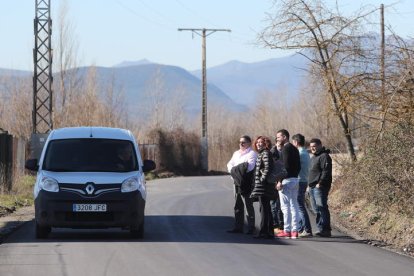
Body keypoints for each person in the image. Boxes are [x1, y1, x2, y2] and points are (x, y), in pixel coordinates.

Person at [226, 135, 257, 234]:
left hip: (246, 183)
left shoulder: (252, 153)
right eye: (240, 142)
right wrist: (237, 170)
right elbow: (229, 165)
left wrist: (236, 169)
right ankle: (238, 227)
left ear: (249, 143)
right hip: (236, 182)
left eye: (243, 142)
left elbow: (249, 167)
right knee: (237, 205)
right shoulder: (236, 153)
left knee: (248, 204)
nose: (241, 144)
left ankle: (251, 227)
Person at [275, 129, 301, 239]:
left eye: (279, 137)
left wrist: (280, 181)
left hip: (286, 181)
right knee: (294, 205)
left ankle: (287, 230)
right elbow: (299, 166)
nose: (277, 139)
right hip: (295, 179)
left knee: (285, 207)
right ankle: (295, 231)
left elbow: (284, 167)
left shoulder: (285, 149)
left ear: (285, 137)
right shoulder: (295, 149)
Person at [250, 136, 275, 239]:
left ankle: (264, 231)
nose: (258, 144)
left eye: (261, 142)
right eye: (257, 142)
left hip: (263, 187)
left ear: (266, 143)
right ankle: (269, 231)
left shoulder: (265, 153)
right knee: (266, 208)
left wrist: (261, 180)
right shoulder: (262, 153)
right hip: (262, 186)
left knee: (264, 209)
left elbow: (268, 168)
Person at [308, 138, 333, 237]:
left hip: (320, 187)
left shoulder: (324, 156)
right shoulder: (314, 157)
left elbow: (326, 171)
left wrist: (320, 183)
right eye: (311, 147)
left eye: (314, 146)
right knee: (316, 209)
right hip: (312, 186)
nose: (312, 148)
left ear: (320, 145)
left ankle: (326, 230)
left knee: (322, 207)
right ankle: (320, 228)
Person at [292, 133, 312, 237]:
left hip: (300, 181)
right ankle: (300, 228)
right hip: (303, 180)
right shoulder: (305, 152)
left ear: (295, 142)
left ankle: (307, 229)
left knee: (299, 205)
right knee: (298, 205)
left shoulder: (300, 153)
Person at [270, 141, 284, 234]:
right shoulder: (272, 153)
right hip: (273, 182)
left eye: (281, 145)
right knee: (273, 205)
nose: (280, 147)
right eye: (278, 144)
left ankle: (281, 224)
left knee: (280, 206)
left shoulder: (285, 153)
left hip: (281, 181)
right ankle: (275, 224)